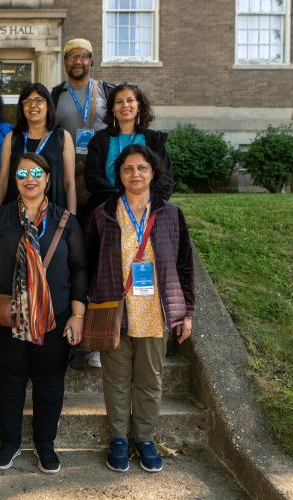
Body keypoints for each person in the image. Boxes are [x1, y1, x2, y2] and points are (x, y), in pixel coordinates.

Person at [84, 144, 193, 474]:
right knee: (116, 381)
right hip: (115, 311)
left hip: (155, 313)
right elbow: (88, 261)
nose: (135, 174)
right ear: (119, 174)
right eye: (128, 168)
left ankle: (144, 438)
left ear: (153, 173)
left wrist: (186, 311)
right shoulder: (103, 213)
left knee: (150, 381)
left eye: (142, 168)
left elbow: (185, 265)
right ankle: (118, 438)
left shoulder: (170, 214)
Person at [0, 152, 87, 474]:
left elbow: (79, 269)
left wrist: (77, 315)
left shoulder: (65, 221)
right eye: (22, 173)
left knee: (49, 381)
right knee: (8, 380)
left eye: (36, 173)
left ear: (48, 179)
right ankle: (9, 444)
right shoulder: (1, 218)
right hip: (8, 315)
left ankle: (45, 445)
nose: (30, 179)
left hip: (54, 316)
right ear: (15, 180)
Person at [85, 82, 174, 215]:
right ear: (113, 110)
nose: (125, 105)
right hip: (108, 209)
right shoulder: (100, 140)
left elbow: (165, 179)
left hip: (146, 211)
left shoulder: (154, 140)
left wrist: (145, 203)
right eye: (119, 102)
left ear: (138, 106)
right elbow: (92, 178)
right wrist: (120, 201)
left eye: (130, 100)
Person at [51, 38, 115, 213]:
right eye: (71, 56)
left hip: (103, 175)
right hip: (70, 175)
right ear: (64, 62)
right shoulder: (55, 96)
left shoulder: (107, 91)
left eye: (83, 56)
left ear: (91, 60)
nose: (77, 61)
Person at [0, 83, 76, 215]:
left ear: (48, 105)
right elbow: (3, 180)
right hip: (15, 213)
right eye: (27, 102)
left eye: (39, 101)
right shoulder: (11, 138)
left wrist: (72, 217)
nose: (33, 106)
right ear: (22, 107)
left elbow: (69, 183)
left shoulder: (63, 137)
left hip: (54, 214)